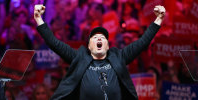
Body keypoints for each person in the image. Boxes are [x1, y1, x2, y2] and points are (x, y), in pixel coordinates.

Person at [34, 4, 165, 100]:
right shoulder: (79, 56)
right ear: (89, 46)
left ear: (108, 46)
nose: (99, 39)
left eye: (102, 38)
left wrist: (158, 20)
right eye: (95, 38)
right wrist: (39, 19)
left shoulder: (118, 56)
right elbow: (54, 43)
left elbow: (142, 42)